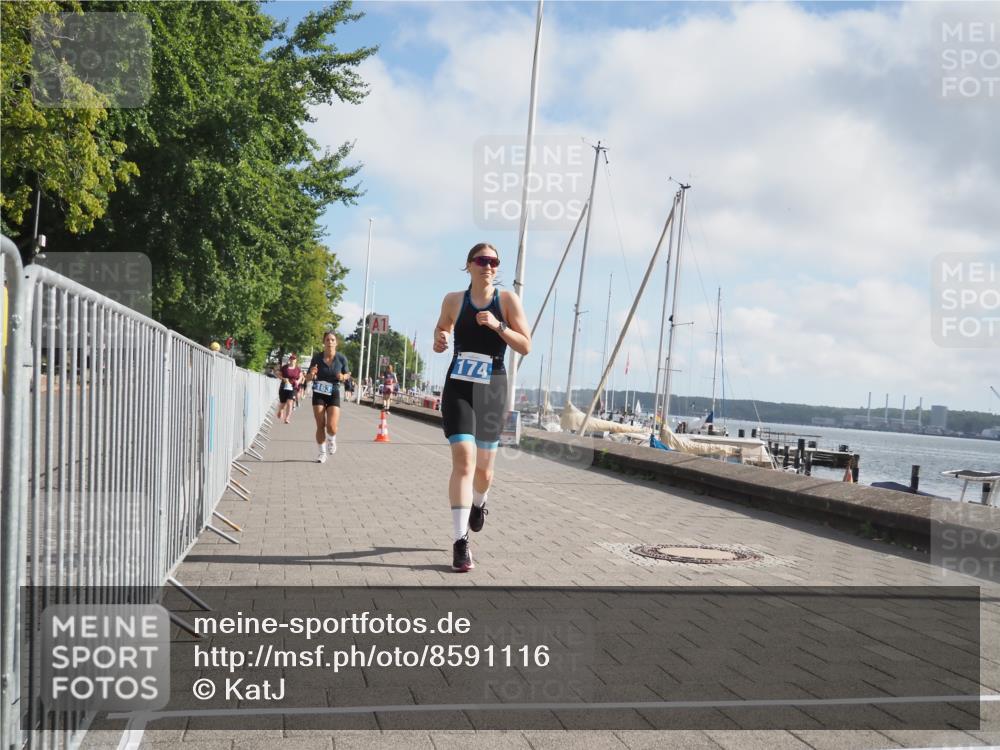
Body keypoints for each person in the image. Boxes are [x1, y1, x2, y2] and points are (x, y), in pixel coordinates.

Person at [433, 242, 530, 572]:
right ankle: (460, 542)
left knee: (484, 471)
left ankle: (479, 503)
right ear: (469, 265)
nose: (488, 266)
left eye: (494, 261)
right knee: (464, 460)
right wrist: (440, 339)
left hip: (492, 388)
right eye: (482, 260)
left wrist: (498, 326)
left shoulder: (507, 301)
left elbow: (526, 345)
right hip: (459, 385)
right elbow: (442, 328)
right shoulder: (453, 300)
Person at [304, 332, 351, 463]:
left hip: (333, 392)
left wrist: (343, 377)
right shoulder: (317, 358)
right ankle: (322, 453)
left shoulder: (341, 358)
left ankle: (332, 439)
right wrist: (312, 374)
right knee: (320, 425)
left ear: (336, 343)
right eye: (327, 340)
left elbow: (348, 374)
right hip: (319, 392)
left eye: (332, 340)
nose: (330, 342)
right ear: (323, 342)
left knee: (331, 426)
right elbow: (307, 378)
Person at [277, 353, 302, 424]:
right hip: (284, 386)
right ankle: (280, 410)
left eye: (294, 359)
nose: (292, 360)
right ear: (289, 360)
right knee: (283, 403)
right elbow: (278, 374)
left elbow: (301, 376)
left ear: (296, 360)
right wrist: (283, 378)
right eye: (291, 359)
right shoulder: (284, 367)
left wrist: (298, 381)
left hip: (293, 387)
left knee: (289, 402)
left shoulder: (297, 369)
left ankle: (287, 418)